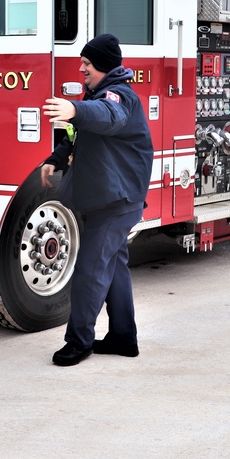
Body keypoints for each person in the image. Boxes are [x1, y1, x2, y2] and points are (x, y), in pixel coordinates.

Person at [40, 33, 154, 367]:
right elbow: (81, 136)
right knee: (114, 268)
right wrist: (56, 159)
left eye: (87, 64)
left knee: (90, 272)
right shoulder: (99, 94)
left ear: (103, 66)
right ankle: (122, 337)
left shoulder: (118, 97)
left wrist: (74, 108)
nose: (81, 69)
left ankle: (79, 342)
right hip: (112, 198)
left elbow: (107, 116)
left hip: (115, 203)